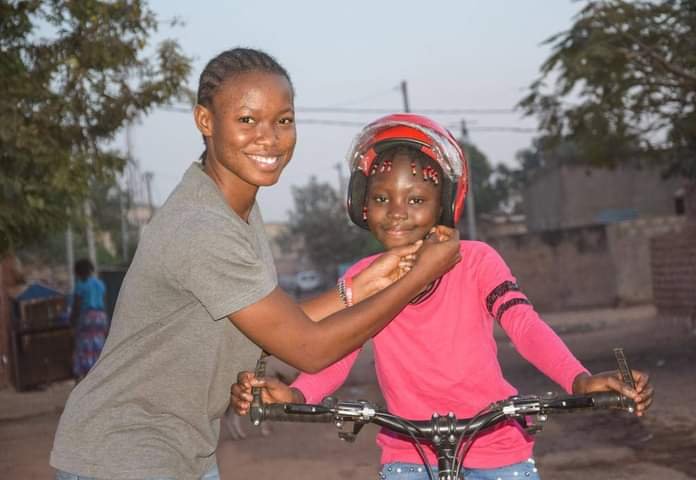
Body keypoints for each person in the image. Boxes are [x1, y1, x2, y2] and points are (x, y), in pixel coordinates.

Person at [50, 49, 460, 480]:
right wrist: (418, 277)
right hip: (123, 453)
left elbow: (274, 325)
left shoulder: (235, 206)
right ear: (205, 122)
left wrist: (359, 288)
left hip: (183, 450)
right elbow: (309, 349)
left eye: (283, 120)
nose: (270, 138)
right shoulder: (203, 227)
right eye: (247, 120)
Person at [233, 114, 655, 480]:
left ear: (444, 204)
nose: (396, 211)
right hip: (408, 452)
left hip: (496, 448)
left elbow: (524, 326)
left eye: (416, 199)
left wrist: (578, 379)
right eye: (381, 198)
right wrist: (299, 394)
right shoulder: (365, 277)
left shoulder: (476, 261)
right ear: (363, 205)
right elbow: (339, 352)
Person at [69, 259, 108, 382]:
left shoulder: (81, 285)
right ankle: (97, 377)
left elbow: (76, 306)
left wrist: (71, 323)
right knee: (97, 345)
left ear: (78, 273)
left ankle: (83, 378)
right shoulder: (100, 284)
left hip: (87, 317)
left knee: (83, 346)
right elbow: (104, 303)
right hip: (101, 317)